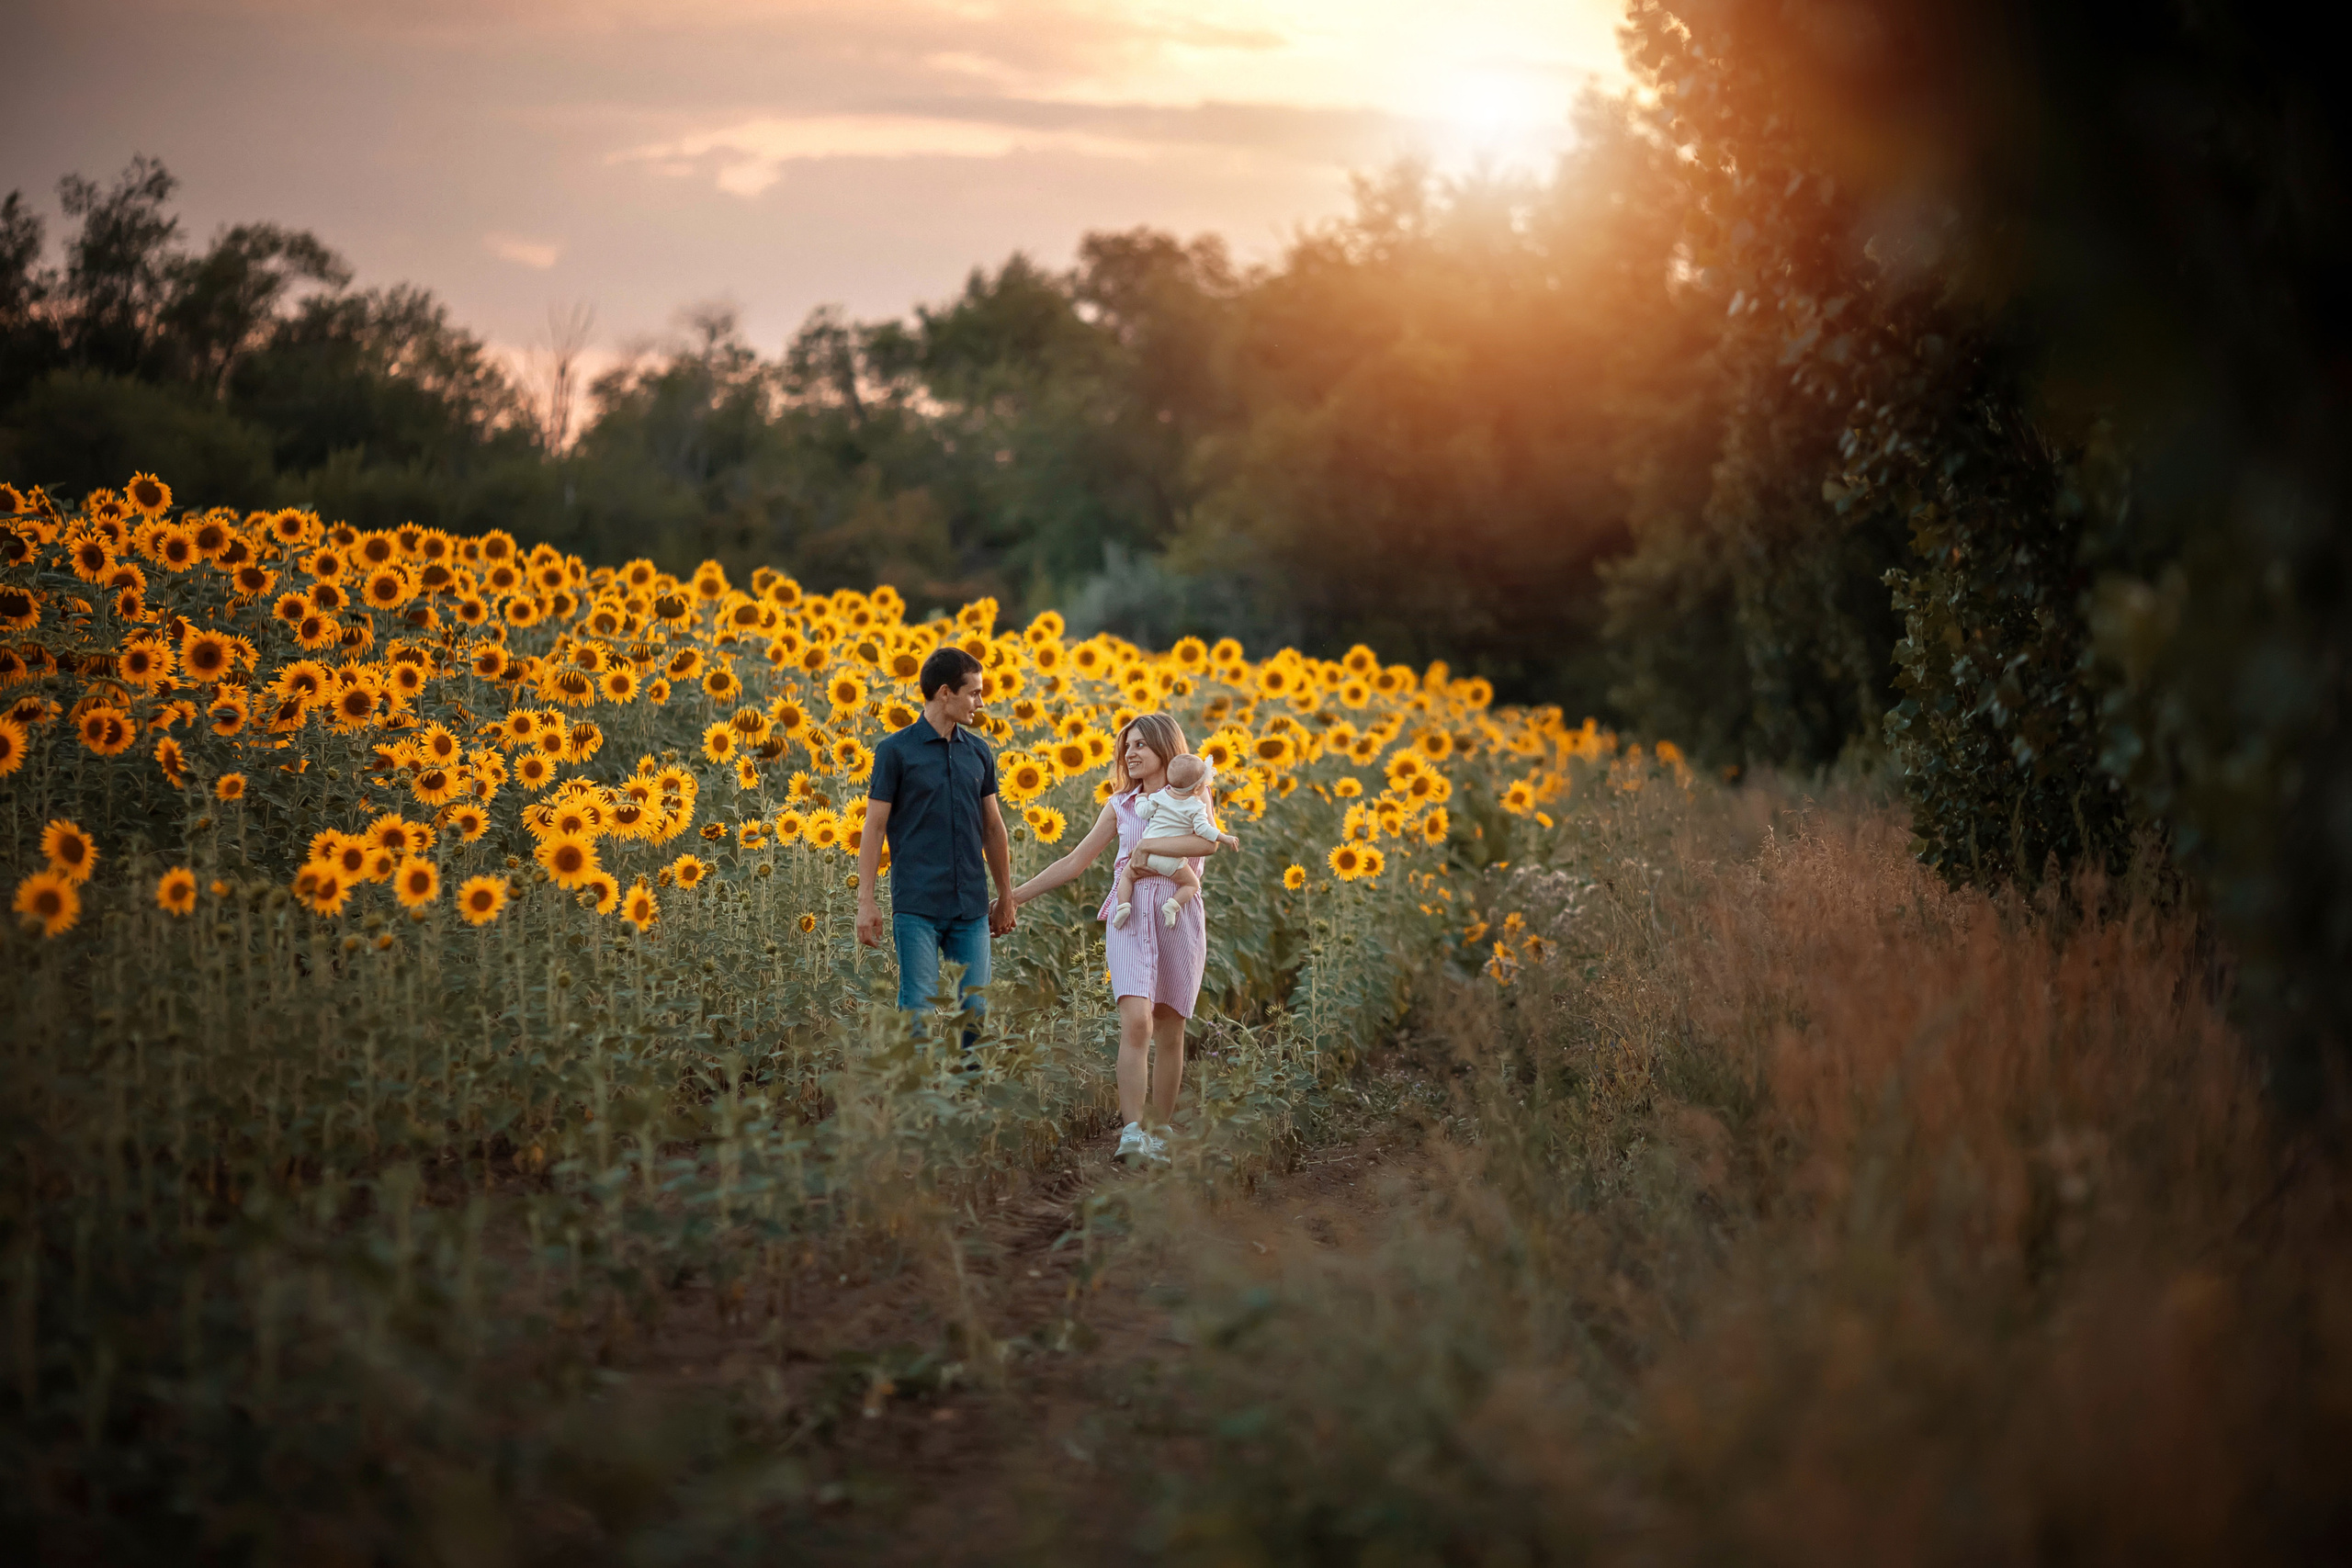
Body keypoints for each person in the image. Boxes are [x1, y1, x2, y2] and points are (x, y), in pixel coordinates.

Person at [1010, 713, 1225, 1165]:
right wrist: (1012, 898)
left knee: (1170, 1026)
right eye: (1127, 745)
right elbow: (1074, 862)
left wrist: (1147, 848)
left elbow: (1206, 844)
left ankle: (1159, 1131)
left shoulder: (1195, 795)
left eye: (1141, 744)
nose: (1131, 753)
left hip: (1178, 913)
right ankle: (1132, 1131)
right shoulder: (1121, 805)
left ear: (1166, 747)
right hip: (1129, 914)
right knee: (1137, 1022)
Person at [855, 647, 1017, 1043]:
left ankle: (968, 1086)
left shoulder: (978, 751)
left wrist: (1006, 895)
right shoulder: (895, 752)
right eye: (974, 693)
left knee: (975, 1014)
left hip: (971, 908)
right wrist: (866, 901)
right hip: (917, 907)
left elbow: (993, 828)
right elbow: (874, 829)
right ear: (945, 692)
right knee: (918, 1013)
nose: (981, 703)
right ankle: (916, 1085)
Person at [1109, 752, 1239, 929]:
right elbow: (1204, 830)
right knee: (1191, 884)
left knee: (1126, 876)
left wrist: (1140, 799)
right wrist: (1225, 838)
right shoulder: (1196, 806)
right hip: (1170, 861)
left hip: (1147, 856)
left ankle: (1123, 906)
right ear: (1197, 789)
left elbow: (1143, 813)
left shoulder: (1160, 796)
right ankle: (1171, 906)